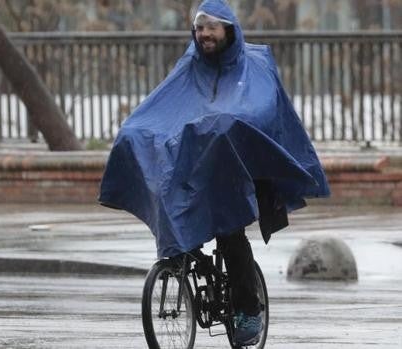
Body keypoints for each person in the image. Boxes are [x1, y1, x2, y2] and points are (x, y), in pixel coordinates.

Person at [99, 0, 329, 346]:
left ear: (228, 30)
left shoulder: (255, 65)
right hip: (198, 160)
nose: (204, 34)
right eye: (200, 27)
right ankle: (182, 254)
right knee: (147, 149)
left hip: (240, 166)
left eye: (212, 27)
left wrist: (225, 124)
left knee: (230, 231)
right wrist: (136, 128)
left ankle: (248, 310)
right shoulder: (190, 64)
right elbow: (165, 103)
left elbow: (263, 109)